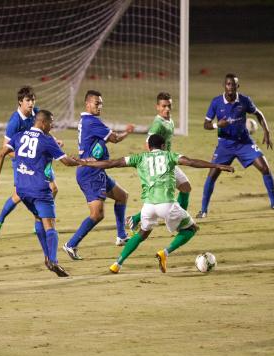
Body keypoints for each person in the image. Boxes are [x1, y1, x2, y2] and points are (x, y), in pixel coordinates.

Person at [80, 134, 234, 274]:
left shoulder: (139, 158)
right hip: (166, 205)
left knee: (142, 234)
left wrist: (87, 163)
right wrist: (217, 166)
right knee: (192, 229)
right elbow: (191, 162)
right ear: (163, 146)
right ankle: (164, 253)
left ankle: (117, 263)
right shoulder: (169, 156)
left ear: (149, 147)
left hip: (148, 207)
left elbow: (112, 163)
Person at [0, 110, 79, 277]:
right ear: (43, 123)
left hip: (22, 189)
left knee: (38, 218)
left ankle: (47, 257)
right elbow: (66, 162)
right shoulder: (47, 140)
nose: (52, 126)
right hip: (39, 189)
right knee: (50, 225)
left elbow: (1, 153)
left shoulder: (19, 136)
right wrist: (81, 161)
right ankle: (53, 260)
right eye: (51, 123)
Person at [197, 73, 274, 218]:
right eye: (228, 84)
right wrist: (216, 125)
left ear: (238, 86)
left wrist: (267, 131)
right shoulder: (216, 102)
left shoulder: (244, 101)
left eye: (233, 84)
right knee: (212, 174)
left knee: (265, 168)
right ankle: (203, 210)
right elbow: (205, 124)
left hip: (244, 142)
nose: (231, 87)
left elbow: (258, 113)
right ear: (224, 86)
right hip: (225, 145)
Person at [62, 90, 134, 261]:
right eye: (96, 103)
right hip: (90, 173)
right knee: (97, 215)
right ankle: (71, 244)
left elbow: (105, 138)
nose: (100, 106)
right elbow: (114, 138)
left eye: (101, 103)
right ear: (87, 104)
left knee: (122, 196)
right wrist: (127, 132)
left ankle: (121, 236)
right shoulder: (91, 121)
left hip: (96, 170)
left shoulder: (86, 120)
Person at [0, 86, 62, 236]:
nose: (31, 104)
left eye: (33, 100)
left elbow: (44, 130)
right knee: (19, 195)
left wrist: (54, 141)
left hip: (40, 162)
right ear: (20, 102)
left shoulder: (36, 113)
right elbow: (5, 149)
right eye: (28, 100)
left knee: (53, 189)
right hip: (22, 162)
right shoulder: (14, 122)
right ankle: (0, 220)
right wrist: (26, 156)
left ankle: (39, 220)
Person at [126, 92, 191, 231]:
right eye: (163, 106)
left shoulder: (170, 121)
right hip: (161, 163)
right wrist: (154, 163)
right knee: (168, 196)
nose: (167, 109)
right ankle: (180, 222)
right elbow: (147, 142)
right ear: (157, 107)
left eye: (169, 106)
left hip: (168, 161)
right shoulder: (158, 124)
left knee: (185, 187)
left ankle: (136, 218)